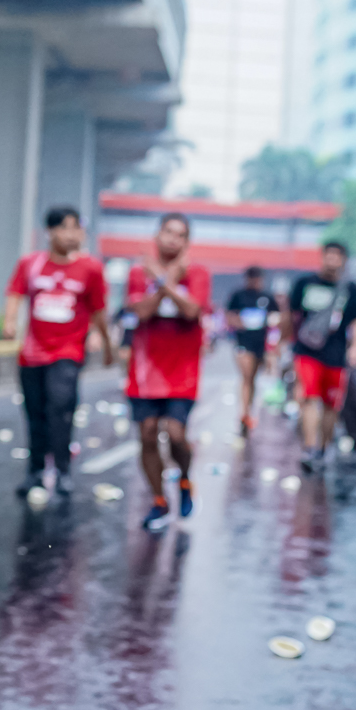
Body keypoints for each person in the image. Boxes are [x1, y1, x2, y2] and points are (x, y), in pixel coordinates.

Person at [3, 205, 113, 497]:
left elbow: (99, 309)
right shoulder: (31, 264)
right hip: (32, 353)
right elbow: (15, 293)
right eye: (64, 227)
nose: (71, 234)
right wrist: (9, 321)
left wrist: (105, 342)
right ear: (49, 232)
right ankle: (35, 471)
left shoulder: (91, 269)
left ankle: (62, 470)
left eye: (77, 228)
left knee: (61, 407)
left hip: (68, 351)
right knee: (35, 412)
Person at [125, 213, 211, 532]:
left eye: (180, 235)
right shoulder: (138, 273)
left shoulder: (198, 273)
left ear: (187, 242)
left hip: (182, 371)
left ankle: (185, 480)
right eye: (168, 232)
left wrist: (163, 281)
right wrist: (166, 282)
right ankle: (159, 500)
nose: (173, 239)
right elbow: (141, 311)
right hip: (145, 369)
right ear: (157, 235)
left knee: (175, 433)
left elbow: (192, 310)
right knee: (147, 433)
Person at [282, 241, 356, 473]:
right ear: (322, 257)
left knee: (331, 406)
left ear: (343, 261)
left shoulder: (351, 290)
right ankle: (310, 448)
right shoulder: (304, 284)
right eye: (328, 255)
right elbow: (291, 315)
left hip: (336, 354)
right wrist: (284, 343)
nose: (332, 260)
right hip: (306, 351)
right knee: (309, 397)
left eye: (337, 256)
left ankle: (323, 448)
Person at [225, 266, 278, 436]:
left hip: (260, 345)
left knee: (253, 379)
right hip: (243, 343)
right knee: (246, 377)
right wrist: (241, 324)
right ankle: (244, 414)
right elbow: (229, 316)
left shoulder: (267, 298)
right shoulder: (238, 296)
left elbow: (277, 319)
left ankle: (249, 409)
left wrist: (273, 347)